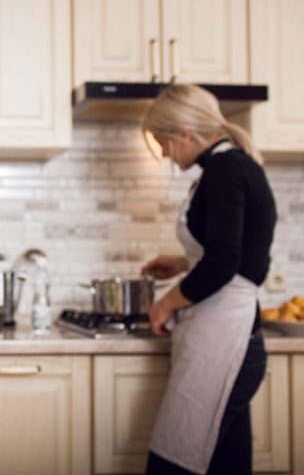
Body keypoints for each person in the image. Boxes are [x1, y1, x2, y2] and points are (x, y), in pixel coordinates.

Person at [139, 84, 276, 475]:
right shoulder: (230, 166)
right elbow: (238, 256)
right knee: (227, 466)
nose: (163, 152)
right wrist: (185, 263)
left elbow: (223, 263)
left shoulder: (225, 169)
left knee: (173, 461)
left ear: (185, 133)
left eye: (162, 141)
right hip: (230, 335)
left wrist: (164, 304)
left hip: (226, 340)